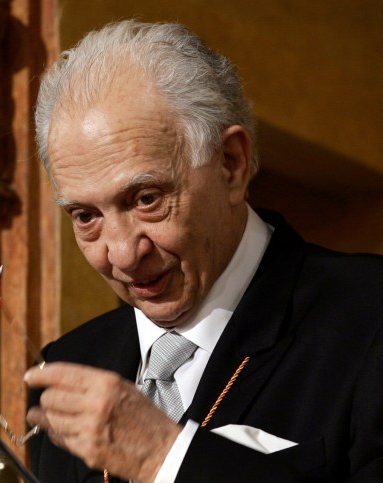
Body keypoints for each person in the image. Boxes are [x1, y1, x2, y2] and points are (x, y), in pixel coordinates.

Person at [22, 20, 383, 483]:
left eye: (146, 199)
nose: (122, 254)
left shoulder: (368, 315)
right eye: (85, 216)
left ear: (231, 166)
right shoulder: (69, 363)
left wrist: (165, 456)